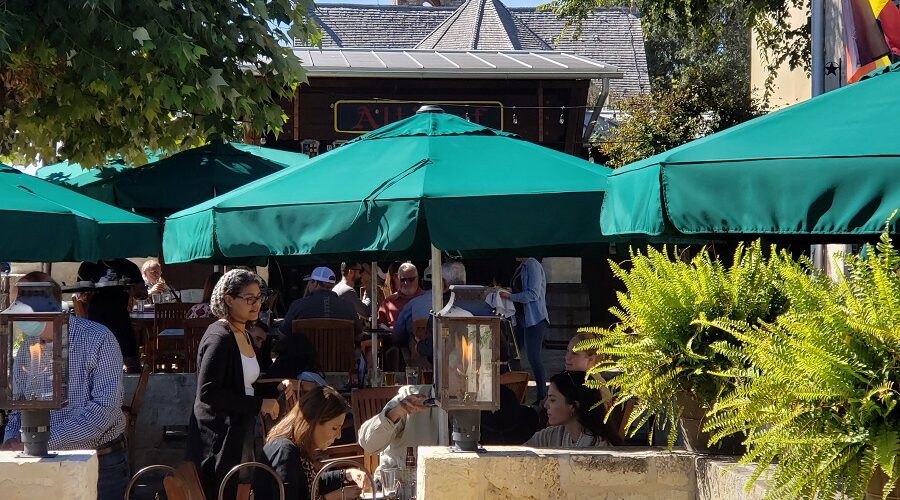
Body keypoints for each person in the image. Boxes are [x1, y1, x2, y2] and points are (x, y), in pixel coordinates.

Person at [1, 272, 129, 500]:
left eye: (23, 304)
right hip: (39, 462)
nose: (16, 311)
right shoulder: (26, 348)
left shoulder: (98, 339)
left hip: (100, 462)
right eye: (14, 304)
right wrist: (10, 446)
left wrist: (39, 442)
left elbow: (104, 411)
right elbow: (18, 411)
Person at [186, 269, 281, 500]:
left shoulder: (245, 333)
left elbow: (243, 383)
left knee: (241, 489)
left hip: (240, 429)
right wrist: (259, 404)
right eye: (249, 298)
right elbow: (208, 392)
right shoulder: (219, 337)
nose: (256, 304)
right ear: (229, 299)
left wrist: (275, 388)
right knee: (221, 492)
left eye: (259, 297)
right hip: (218, 436)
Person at [256, 386, 369, 500]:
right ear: (312, 423)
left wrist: (347, 475)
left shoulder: (295, 445)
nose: (339, 435)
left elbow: (309, 483)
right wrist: (330, 498)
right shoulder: (285, 451)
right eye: (334, 428)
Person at [269, 267, 361, 378]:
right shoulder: (348, 307)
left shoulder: (298, 306)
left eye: (309, 282)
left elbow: (283, 335)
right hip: (342, 369)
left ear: (314, 282)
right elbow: (359, 336)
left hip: (304, 370)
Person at [77, 258, 147, 372]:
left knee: (131, 360)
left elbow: (143, 293)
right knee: (96, 361)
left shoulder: (128, 266)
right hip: (96, 321)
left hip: (121, 318)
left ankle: (136, 387)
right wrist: (86, 295)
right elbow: (81, 294)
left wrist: (135, 292)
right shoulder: (88, 265)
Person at [358, 384, 448, 469]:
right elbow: (368, 444)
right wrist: (394, 414)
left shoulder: (461, 410)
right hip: (399, 481)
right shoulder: (413, 397)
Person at [500, 257, 549, 403]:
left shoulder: (532, 264)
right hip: (521, 318)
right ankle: (514, 393)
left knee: (534, 357)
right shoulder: (522, 266)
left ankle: (542, 397)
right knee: (513, 353)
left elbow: (533, 294)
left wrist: (510, 297)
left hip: (534, 319)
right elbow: (519, 288)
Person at [525, 371, 611, 448]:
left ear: (573, 406)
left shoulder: (596, 447)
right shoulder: (557, 433)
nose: (545, 405)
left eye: (552, 400)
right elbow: (525, 442)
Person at [377, 262, 425, 330]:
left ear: (417, 278)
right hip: (394, 340)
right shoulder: (388, 302)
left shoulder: (428, 299)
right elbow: (379, 326)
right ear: (397, 278)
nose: (406, 283)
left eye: (411, 279)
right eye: (403, 279)